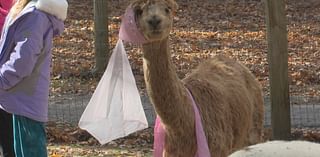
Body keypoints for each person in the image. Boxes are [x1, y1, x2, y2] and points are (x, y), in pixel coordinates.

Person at [0, 0, 68, 156]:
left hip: (24, 101)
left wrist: (2, 79)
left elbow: (23, 59)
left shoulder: (35, 16)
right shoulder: (25, 9)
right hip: (15, 99)